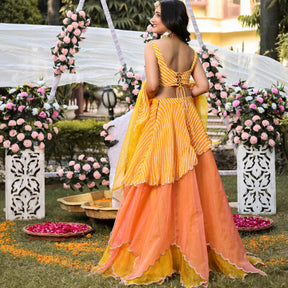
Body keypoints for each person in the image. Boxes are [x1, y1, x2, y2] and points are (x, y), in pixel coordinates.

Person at [91, 1, 266, 287]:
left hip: (162, 117)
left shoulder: (153, 47)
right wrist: (183, 92)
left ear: (171, 19)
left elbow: (150, 85)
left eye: (158, 15)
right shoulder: (190, 52)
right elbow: (204, 86)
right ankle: (190, 249)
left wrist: (154, 97)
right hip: (185, 117)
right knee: (192, 182)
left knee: (155, 181)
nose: (152, 18)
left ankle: (158, 252)